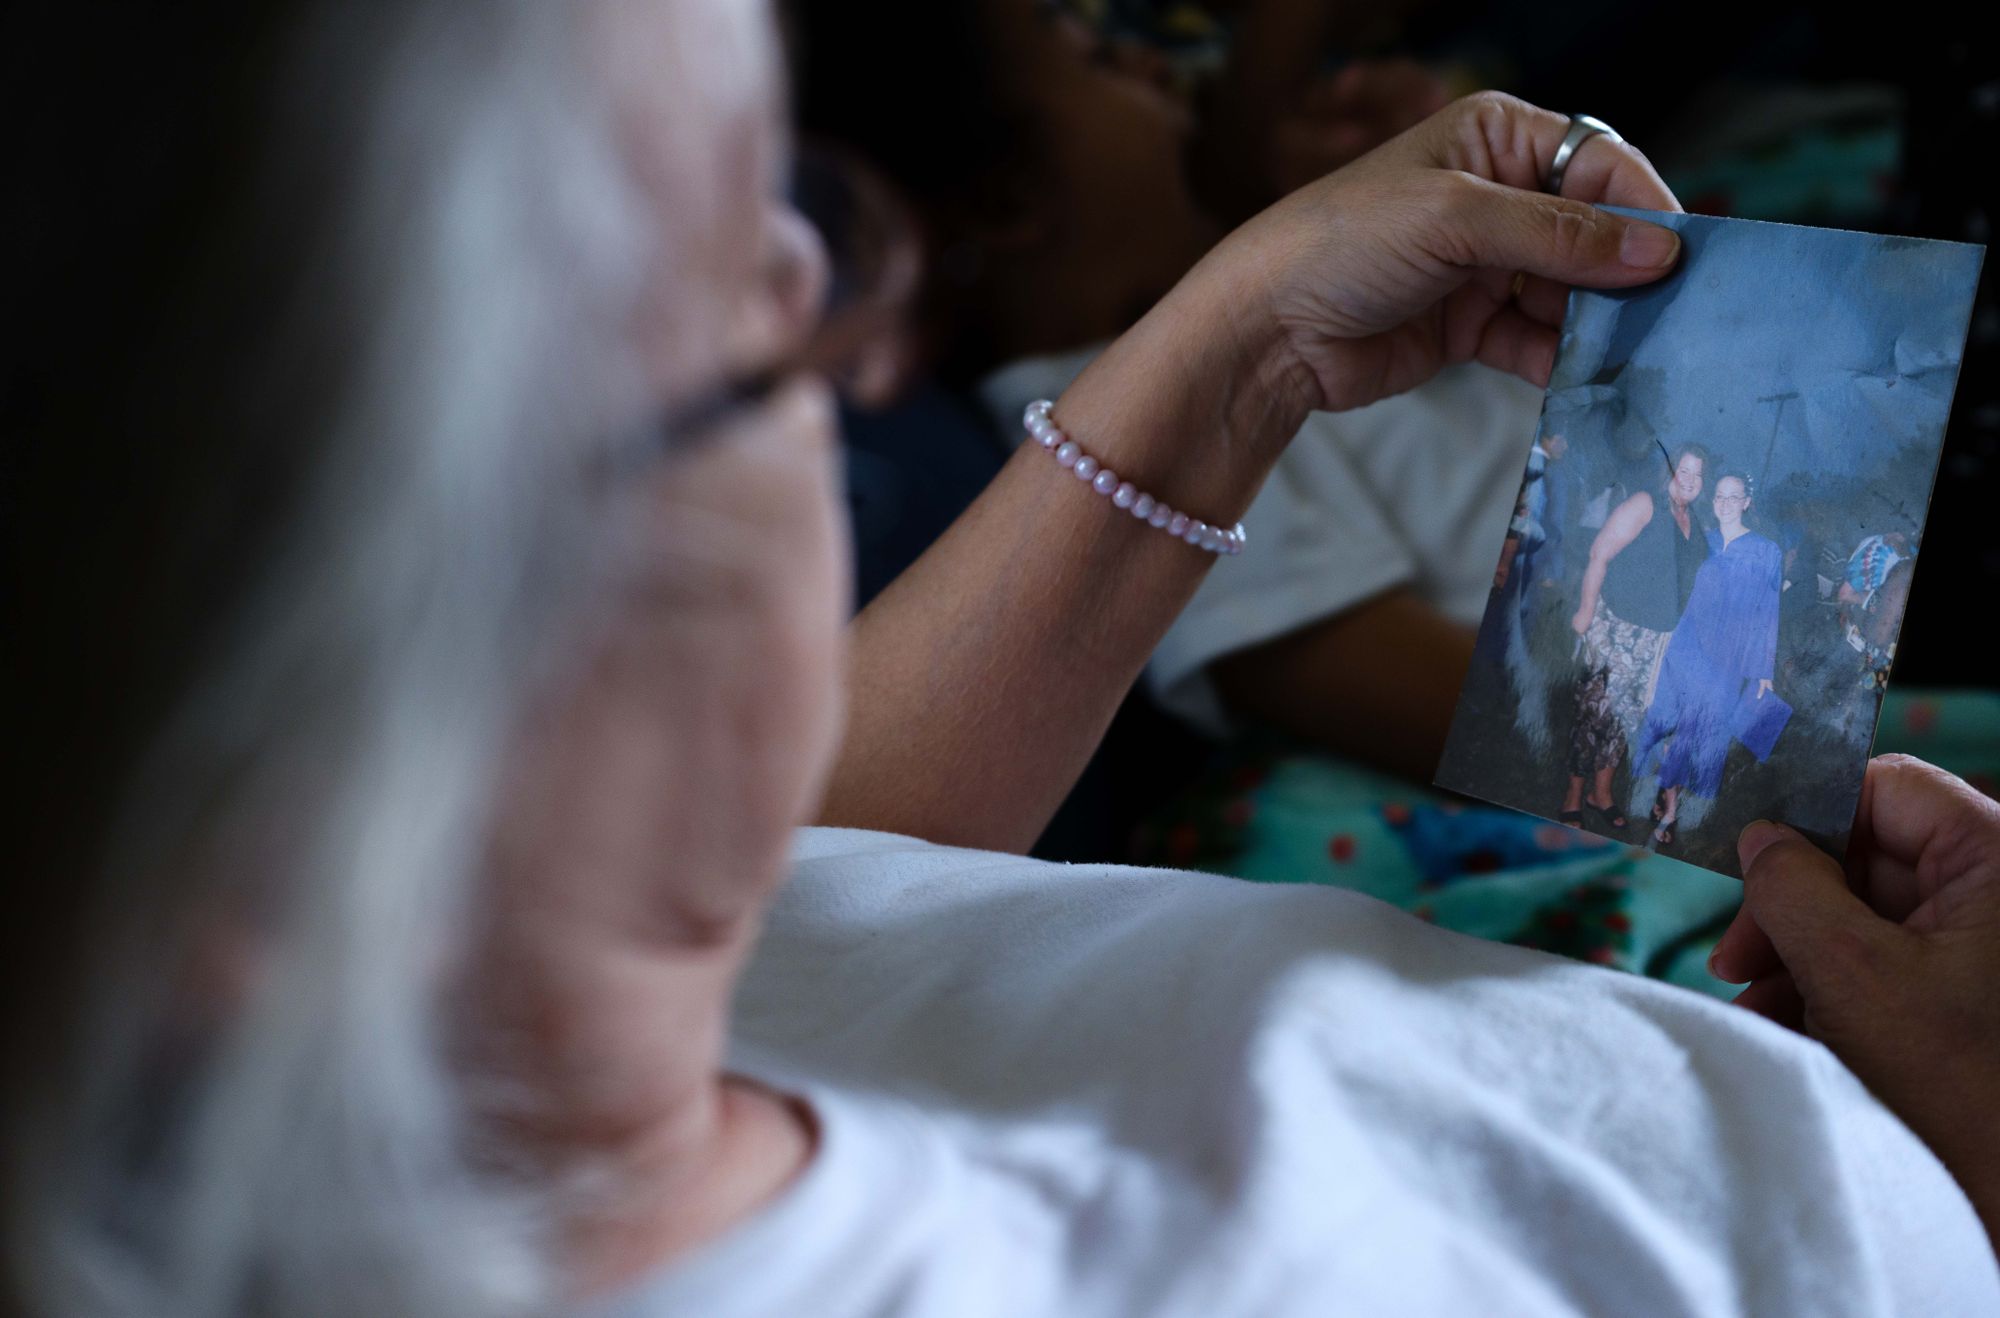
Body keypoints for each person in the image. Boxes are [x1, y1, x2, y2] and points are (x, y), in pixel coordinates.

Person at [9, 7, 2000, 1318]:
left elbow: (796, 889)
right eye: (757, 303)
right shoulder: (1704, 1228)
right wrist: (1970, 1165)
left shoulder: (471, 1005)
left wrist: (1234, 348)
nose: (833, 324)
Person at [1561, 445, 1711, 831]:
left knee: (1624, 718)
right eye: (1684, 470)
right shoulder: (1647, 504)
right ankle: (1573, 799)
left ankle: (1602, 794)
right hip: (1615, 630)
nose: (1690, 479)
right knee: (1592, 715)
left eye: (1698, 474)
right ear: (1669, 470)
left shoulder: (1694, 524)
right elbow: (1599, 554)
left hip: (1654, 643)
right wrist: (1584, 611)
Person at [1634, 474, 1784, 846]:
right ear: (1712, 500)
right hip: (1685, 646)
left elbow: (1768, 611)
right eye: (1720, 495)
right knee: (1674, 723)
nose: (1726, 502)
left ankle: (1674, 797)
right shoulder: (1698, 538)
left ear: (1747, 501)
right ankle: (1669, 807)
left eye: (1734, 497)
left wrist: (1764, 669)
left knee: (1703, 731)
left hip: (1728, 659)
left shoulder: (1767, 551)